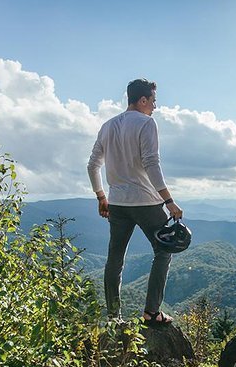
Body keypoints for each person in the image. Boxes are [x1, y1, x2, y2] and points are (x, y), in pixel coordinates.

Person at [87, 78, 183, 324]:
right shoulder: (147, 123)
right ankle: (152, 313)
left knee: (115, 259)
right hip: (146, 202)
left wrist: (101, 196)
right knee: (164, 250)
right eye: (153, 101)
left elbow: (92, 165)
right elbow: (151, 163)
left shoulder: (107, 126)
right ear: (142, 100)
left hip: (117, 203)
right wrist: (169, 200)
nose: (155, 107)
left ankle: (113, 317)